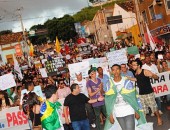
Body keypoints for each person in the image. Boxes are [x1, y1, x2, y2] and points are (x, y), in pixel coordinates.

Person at [104, 64, 146, 130]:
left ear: (120, 70)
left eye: (117, 69)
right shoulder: (108, 84)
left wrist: (136, 110)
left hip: (129, 110)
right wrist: (110, 114)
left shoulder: (127, 81)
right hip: (118, 112)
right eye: (113, 70)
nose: (116, 71)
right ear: (111, 72)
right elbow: (108, 101)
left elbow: (134, 97)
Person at [131, 59, 163, 125]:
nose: (133, 66)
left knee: (153, 108)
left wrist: (153, 75)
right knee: (143, 109)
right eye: (132, 65)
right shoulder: (136, 73)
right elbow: (137, 79)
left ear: (139, 65)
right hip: (141, 94)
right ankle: (144, 123)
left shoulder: (145, 71)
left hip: (149, 93)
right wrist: (128, 78)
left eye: (134, 65)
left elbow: (156, 77)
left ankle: (159, 118)